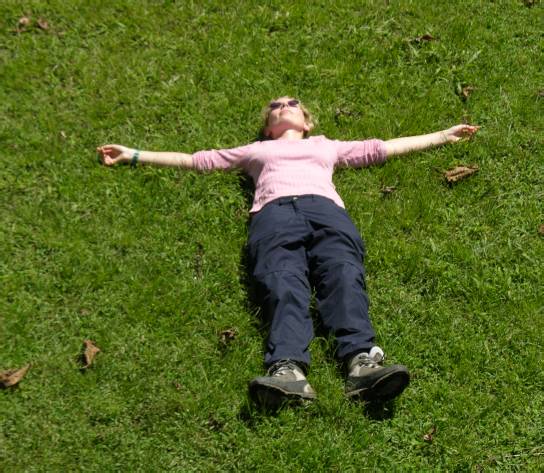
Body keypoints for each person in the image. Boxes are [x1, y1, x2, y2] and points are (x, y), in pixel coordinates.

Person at [97, 96, 479, 408]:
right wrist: (133, 154)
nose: (282, 105)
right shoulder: (255, 151)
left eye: (291, 103)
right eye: (275, 106)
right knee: (281, 283)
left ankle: (361, 362)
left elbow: (382, 148)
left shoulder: (324, 146)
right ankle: (288, 371)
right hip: (274, 216)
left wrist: (443, 135)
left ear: (306, 121)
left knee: (344, 273)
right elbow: (197, 160)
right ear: (267, 128)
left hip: (326, 212)